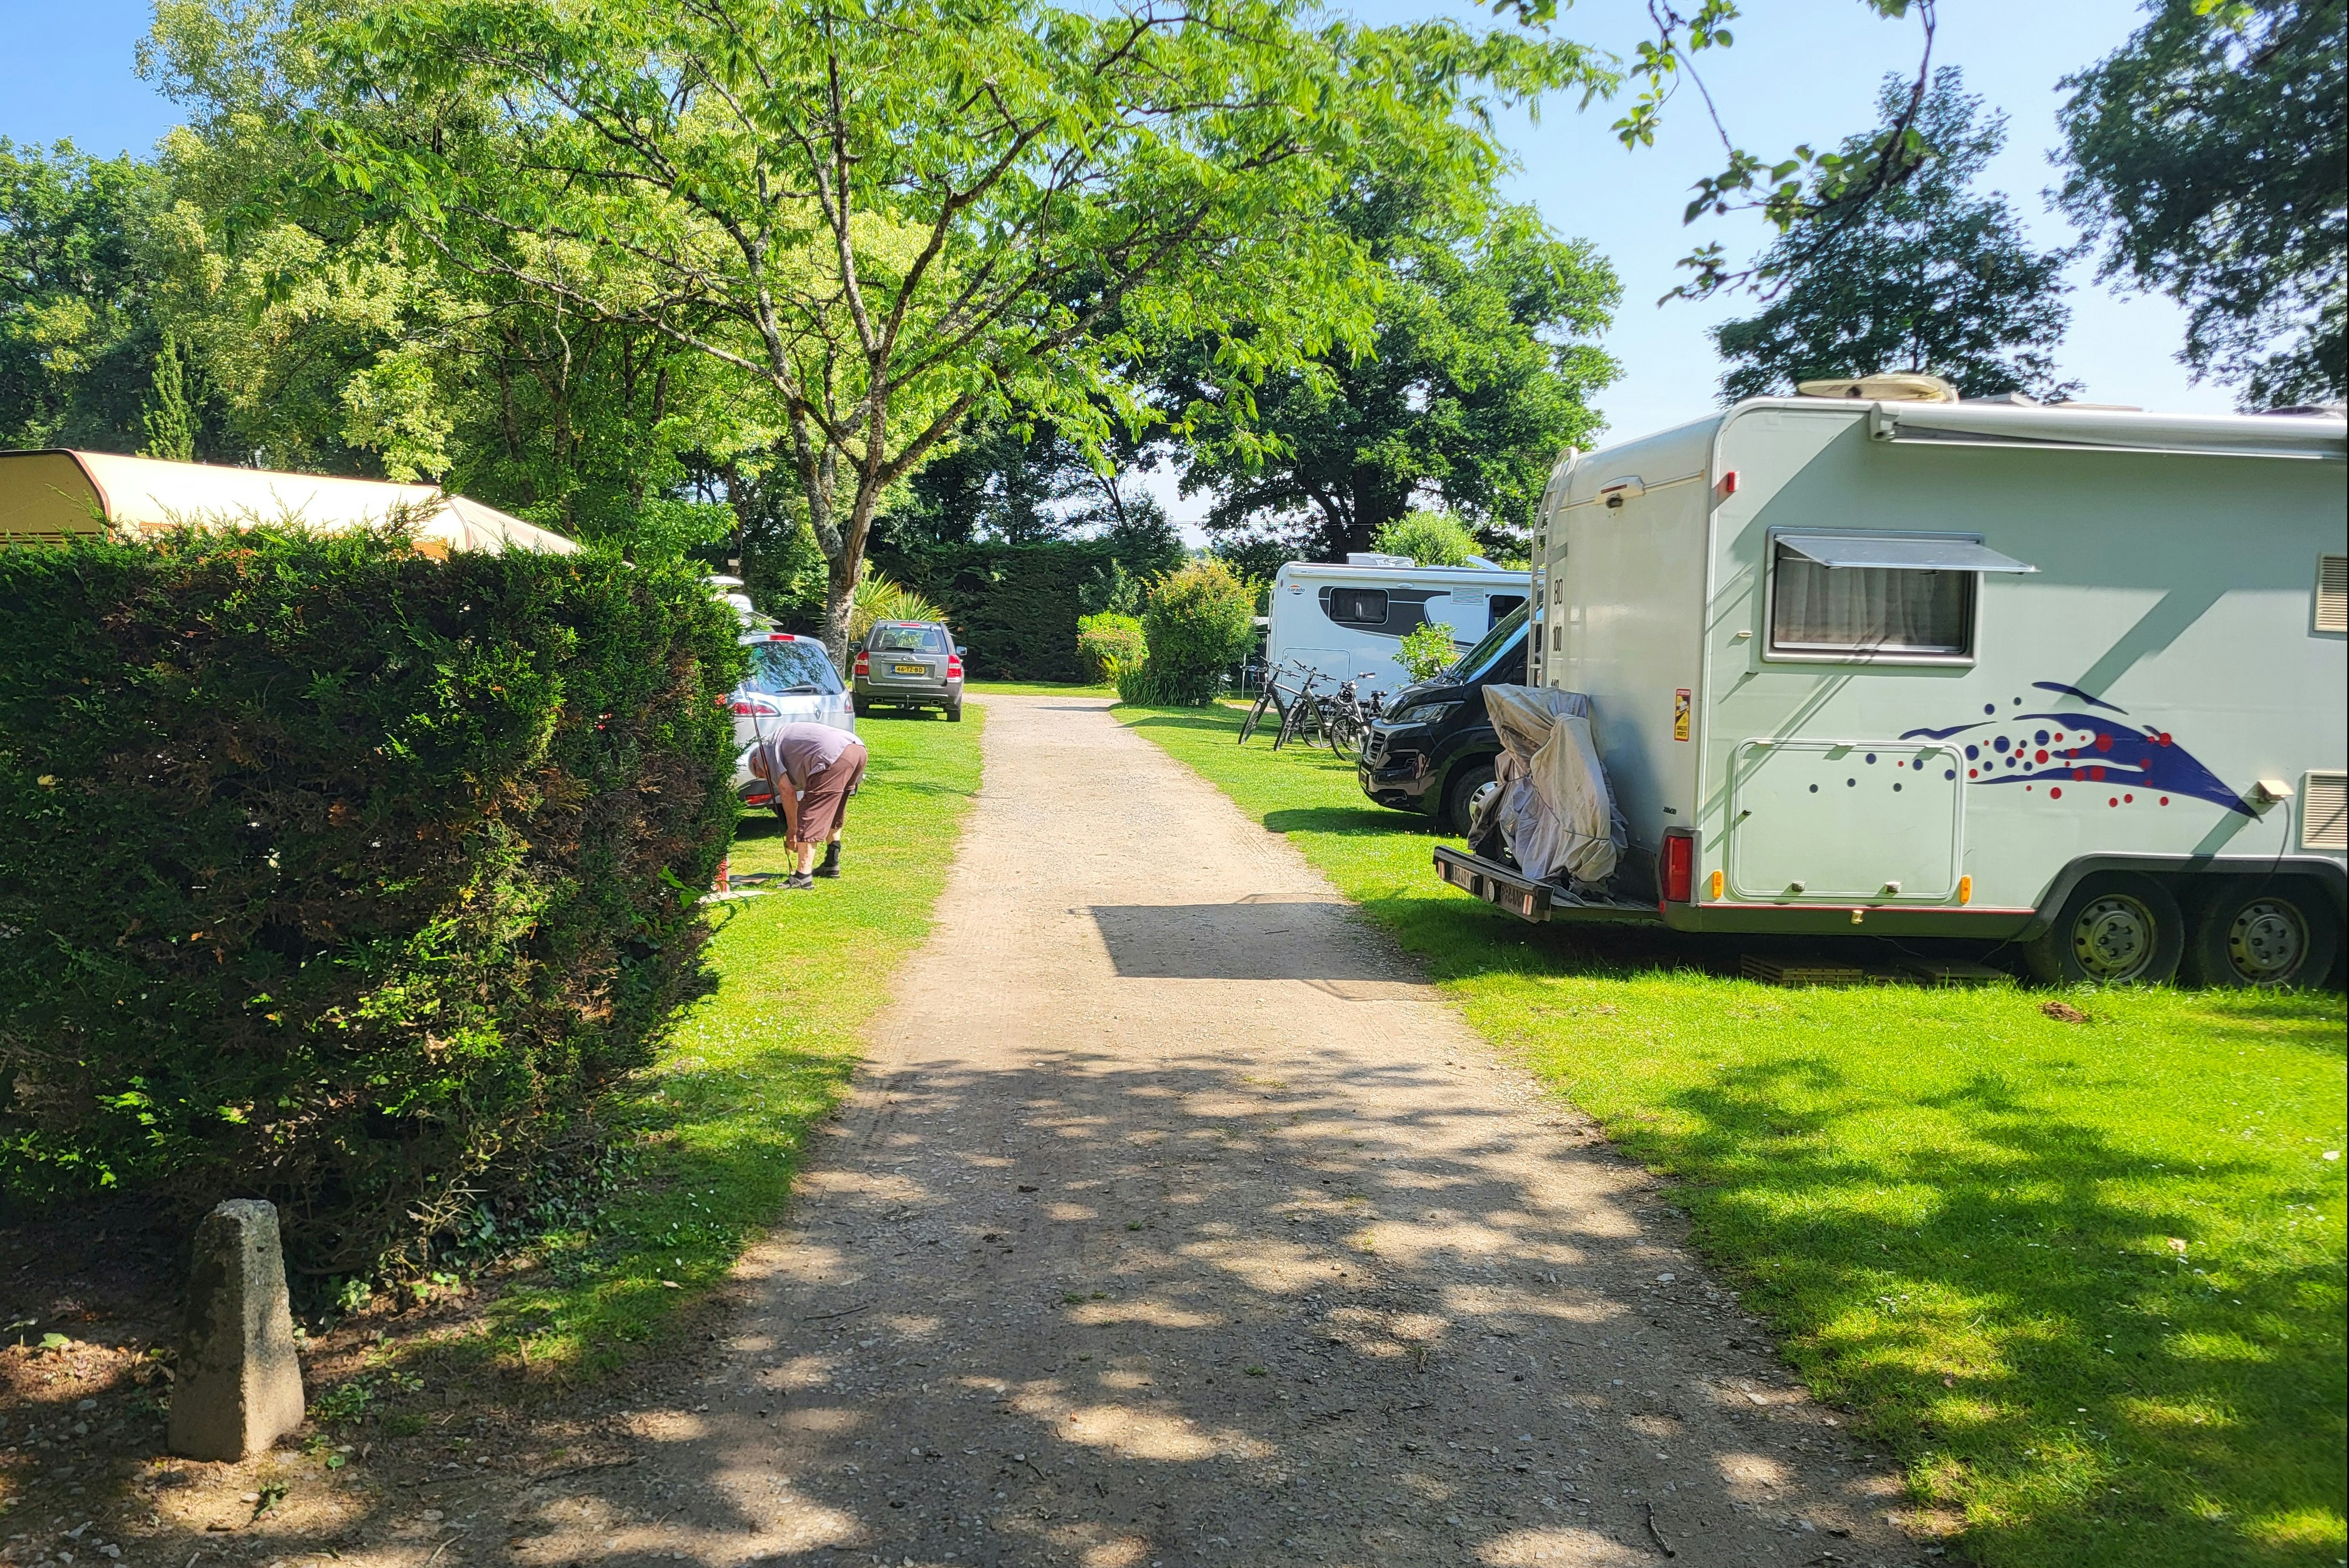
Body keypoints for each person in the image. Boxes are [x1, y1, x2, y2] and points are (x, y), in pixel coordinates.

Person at [755, 722, 868, 890]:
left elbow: (787, 792)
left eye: (762, 775)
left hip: (833, 754)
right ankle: (831, 863)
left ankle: (803, 876)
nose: (767, 779)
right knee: (834, 808)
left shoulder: (765, 753)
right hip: (857, 749)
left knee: (810, 812)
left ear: (758, 763)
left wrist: (792, 829)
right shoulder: (777, 745)